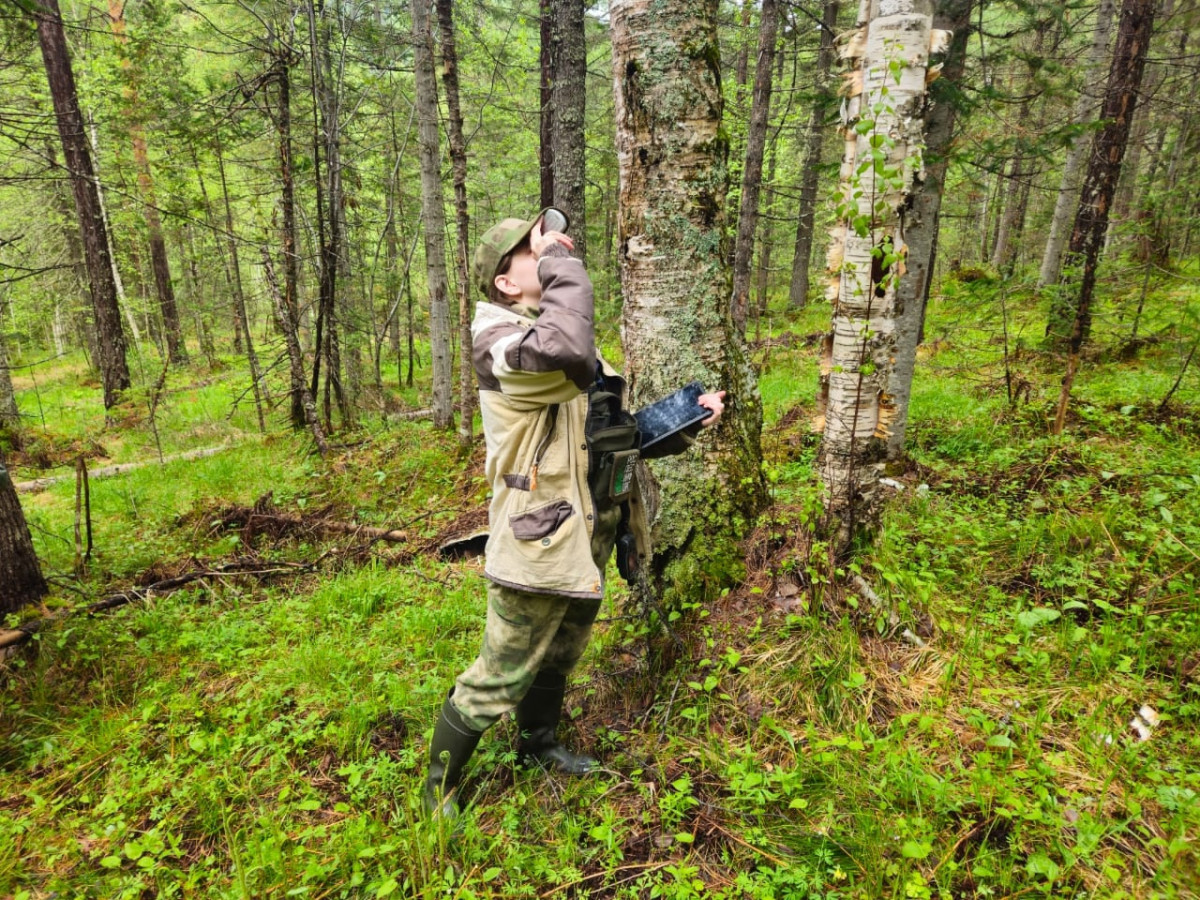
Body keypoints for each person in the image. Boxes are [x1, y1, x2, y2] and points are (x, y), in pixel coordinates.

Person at [422, 208, 725, 818]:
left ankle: (538, 746)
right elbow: (567, 352)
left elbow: (613, 432)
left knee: (560, 655)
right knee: (499, 676)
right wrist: (564, 262)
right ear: (507, 282)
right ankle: (437, 792)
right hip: (537, 541)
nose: (552, 249)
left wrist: (681, 419)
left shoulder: (553, 327)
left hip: (588, 533)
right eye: (535, 251)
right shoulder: (501, 345)